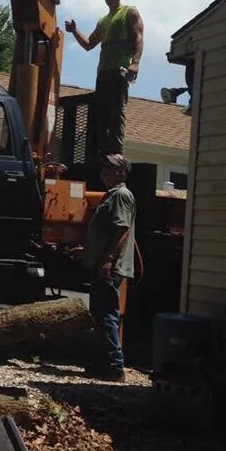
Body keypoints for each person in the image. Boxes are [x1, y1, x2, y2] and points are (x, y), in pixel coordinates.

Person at [65, 0, 144, 158]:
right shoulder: (103, 21)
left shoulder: (129, 12)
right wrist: (74, 30)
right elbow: (88, 44)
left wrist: (135, 62)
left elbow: (138, 38)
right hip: (103, 72)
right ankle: (102, 152)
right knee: (101, 114)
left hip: (120, 70)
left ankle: (115, 153)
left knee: (116, 112)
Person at [81, 154, 136, 382]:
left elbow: (121, 230)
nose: (104, 171)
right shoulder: (111, 195)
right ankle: (101, 363)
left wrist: (107, 259)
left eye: (110, 167)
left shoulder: (121, 195)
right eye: (103, 166)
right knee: (100, 316)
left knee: (107, 316)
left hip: (110, 267)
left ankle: (115, 367)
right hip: (103, 262)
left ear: (121, 173)